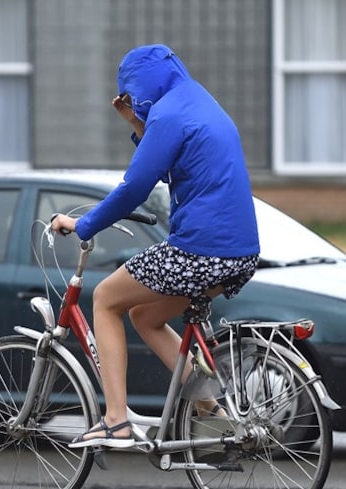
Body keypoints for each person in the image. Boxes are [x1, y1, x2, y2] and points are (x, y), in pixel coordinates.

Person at [51, 44, 260, 448]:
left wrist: (83, 224)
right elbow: (168, 165)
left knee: (107, 298)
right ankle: (208, 407)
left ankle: (115, 421)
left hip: (199, 250)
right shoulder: (196, 101)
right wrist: (135, 119)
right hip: (240, 252)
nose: (133, 99)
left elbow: (135, 188)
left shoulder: (168, 113)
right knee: (145, 316)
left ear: (143, 83)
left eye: (132, 91)